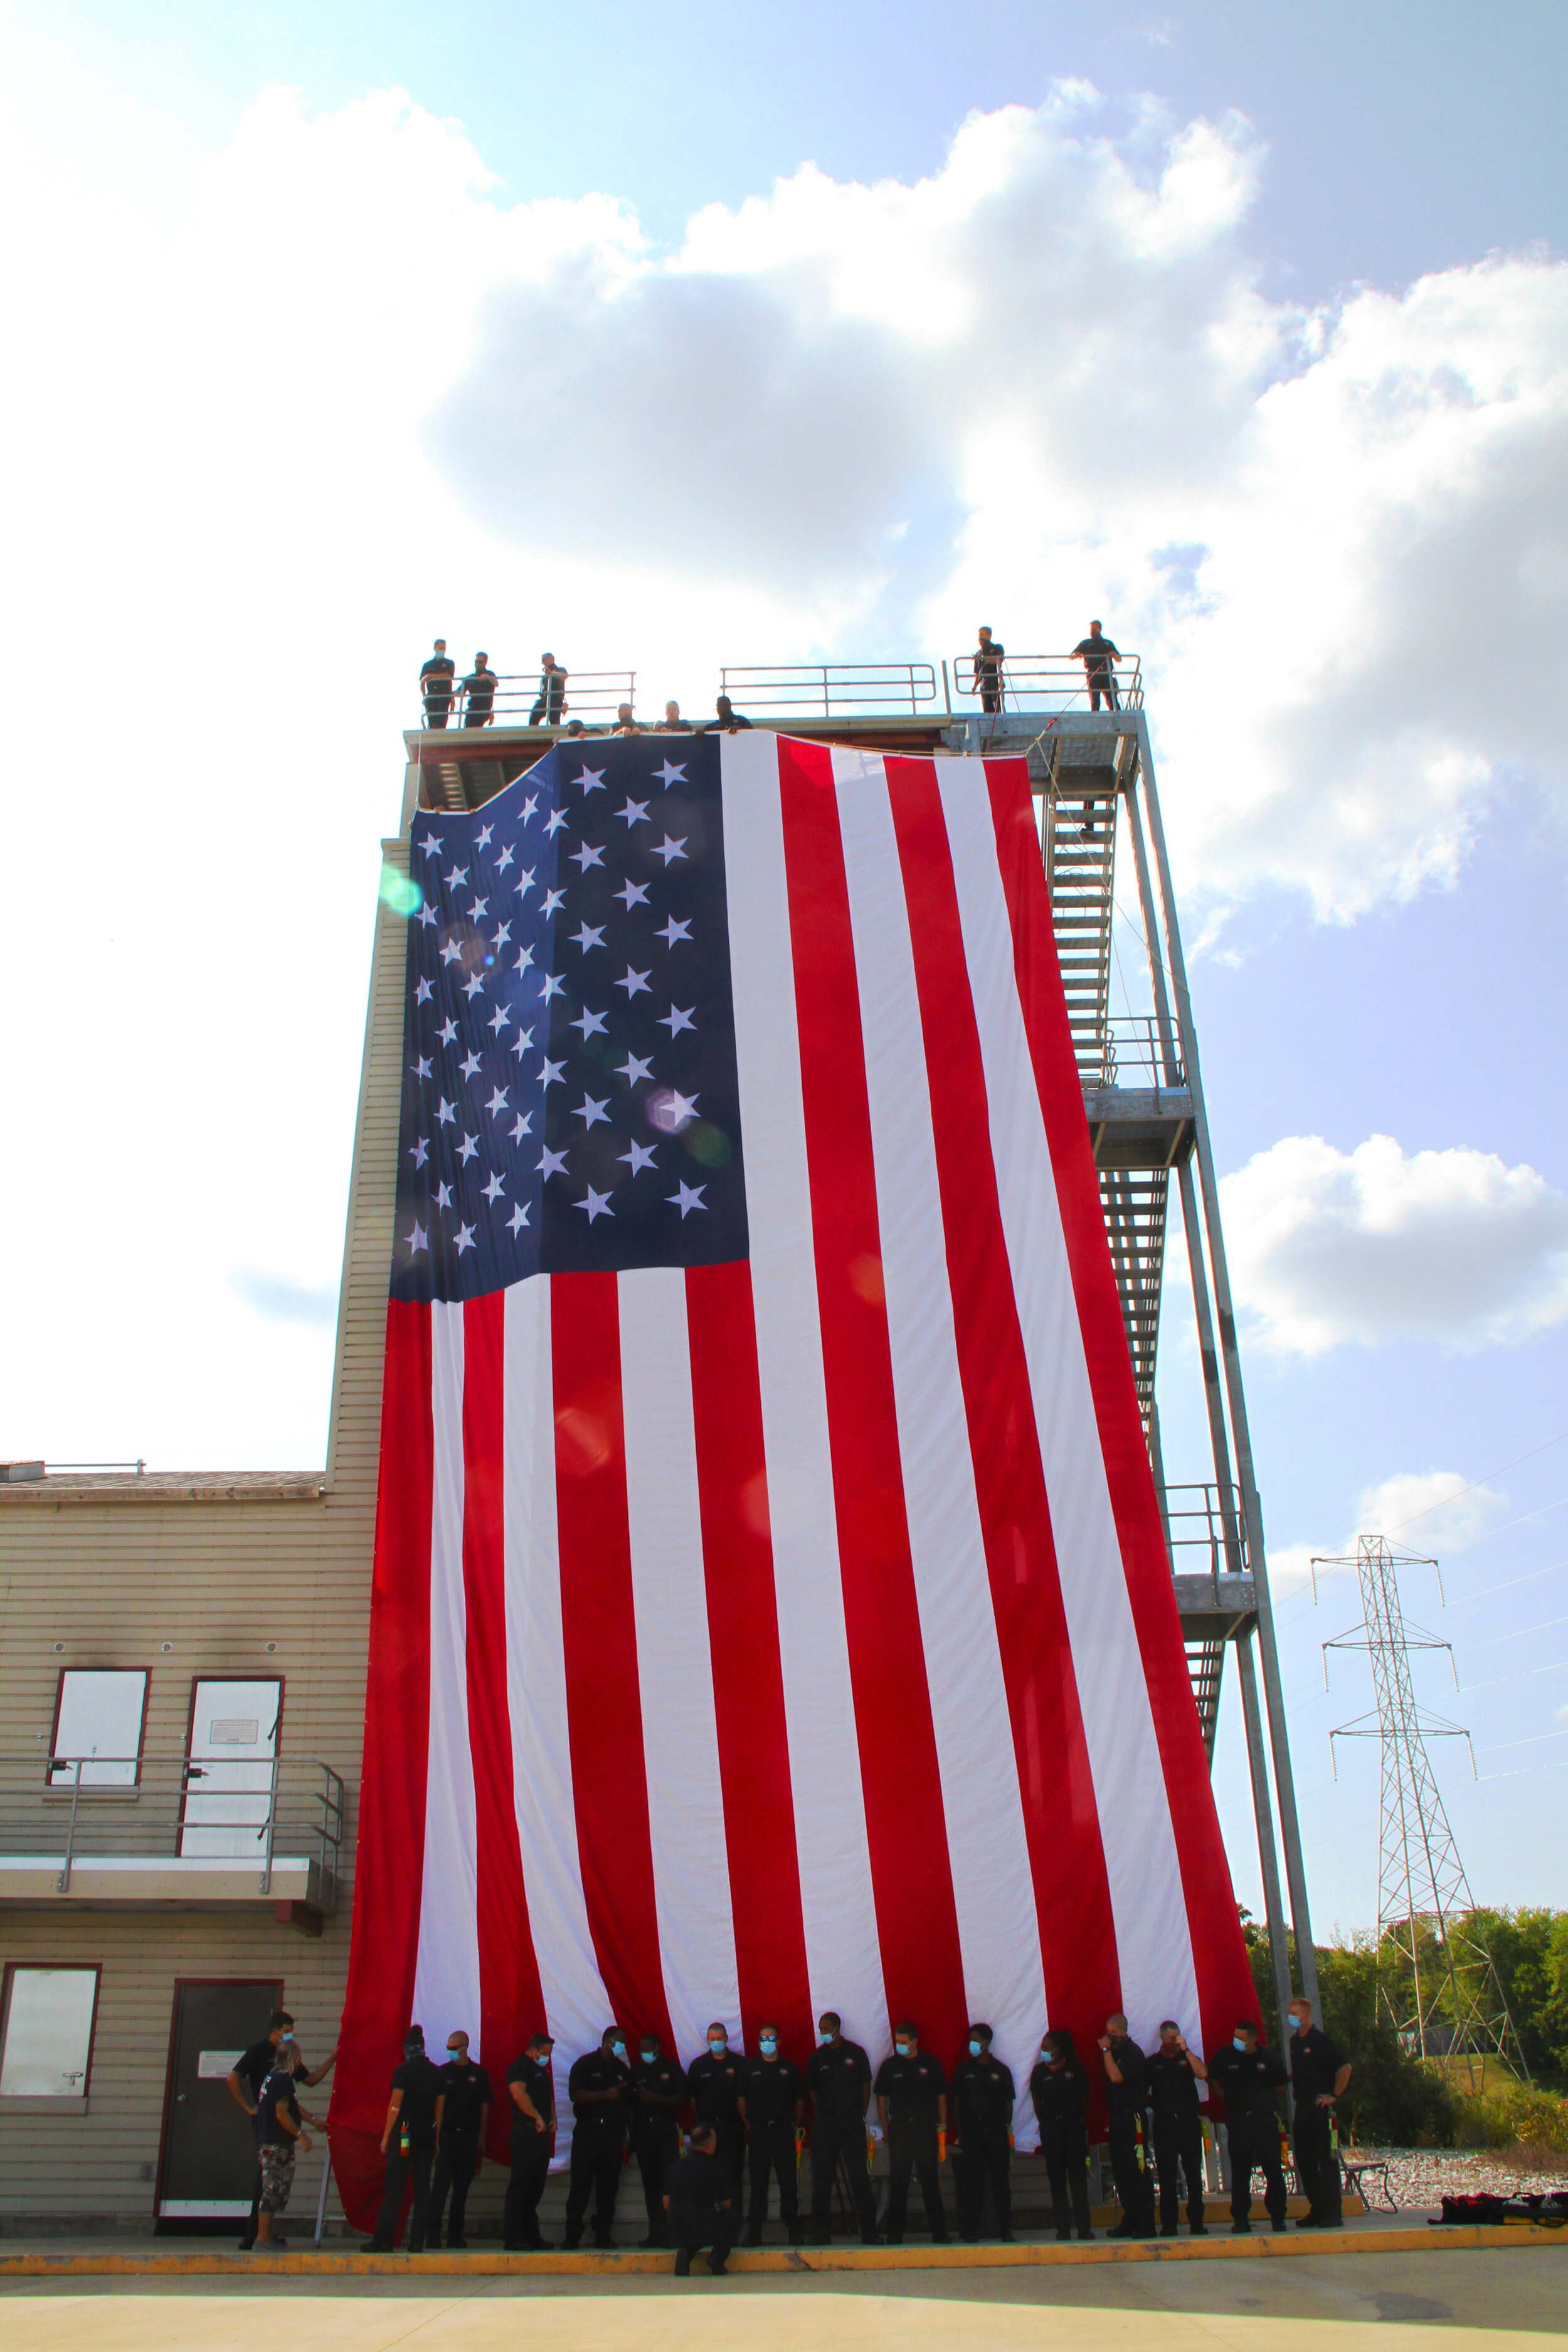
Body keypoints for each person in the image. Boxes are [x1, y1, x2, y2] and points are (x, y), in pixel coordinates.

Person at [226, 2011, 337, 2252]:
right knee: (268, 2184)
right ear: (276, 2031)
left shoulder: (281, 2071)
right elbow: (278, 2109)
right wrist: (249, 2107)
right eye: (286, 2031)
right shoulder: (263, 2056)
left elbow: (305, 2086)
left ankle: (265, 2235)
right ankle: (258, 2237)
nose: (289, 2035)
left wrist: (333, 2058)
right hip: (271, 2131)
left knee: (273, 2184)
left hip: (279, 2129)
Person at [365, 2026, 444, 2252]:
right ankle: (417, 2241)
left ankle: (384, 2241)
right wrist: (437, 2140)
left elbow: (395, 2106)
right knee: (422, 2188)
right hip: (427, 2133)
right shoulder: (437, 2073)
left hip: (405, 2133)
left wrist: (386, 2135)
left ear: (407, 2049)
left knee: (395, 2187)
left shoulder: (403, 2072)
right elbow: (439, 2112)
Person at [1206, 2020, 1289, 2233]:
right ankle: (1241, 2219)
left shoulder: (1269, 2058)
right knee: (1240, 2172)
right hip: (1239, 2120)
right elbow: (1211, 2077)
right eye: (1235, 2036)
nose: (1237, 2041)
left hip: (1264, 2121)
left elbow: (1281, 2086)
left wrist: (1263, 2101)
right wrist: (1226, 2097)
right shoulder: (1227, 2056)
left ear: (1253, 2039)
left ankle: (1278, 2217)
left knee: (1273, 2169)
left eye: (1241, 2038)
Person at [804, 2011, 878, 2245]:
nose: (822, 2032)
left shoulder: (856, 2053)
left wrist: (860, 2114)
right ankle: (822, 2233)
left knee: (859, 2177)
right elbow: (813, 2094)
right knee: (822, 2179)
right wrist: (823, 2118)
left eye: (825, 2028)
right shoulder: (816, 2058)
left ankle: (869, 2232)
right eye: (820, 2028)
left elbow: (866, 2086)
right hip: (826, 2123)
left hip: (851, 2121)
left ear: (837, 2028)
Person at [873, 2023, 950, 2245]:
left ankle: (939, 2232)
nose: (901, 2046)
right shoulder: (890, 2066)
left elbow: (941, 2097)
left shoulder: (930, 2064)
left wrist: (942, 2128)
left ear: (915, 2041)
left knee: (930, 2181)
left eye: (905, 2042)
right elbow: (881, 2098)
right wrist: (886, 2129)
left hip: (926, 2128)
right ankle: (895, 2233)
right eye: (898, 2042)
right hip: (900, 2128)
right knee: (899, 2181)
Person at [737, 2023, 807, 2245]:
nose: (767, 2042)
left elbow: (800, 2101)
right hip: (758, 2131)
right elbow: (741, 2100)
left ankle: (793, 2229)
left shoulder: (790, 2068)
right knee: (758, 2181)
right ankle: (755, 2232)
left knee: (788, 2181)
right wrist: (749, 2124)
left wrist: (793, 2124)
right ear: (758, 2042)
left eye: (771, 2038)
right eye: (763, 2039)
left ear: (778, 2042)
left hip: (783, 2131)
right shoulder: (749, 2069)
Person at [564, 2025, 630, 2249]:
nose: (622, 2048)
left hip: (613, 2133)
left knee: (609, 2185)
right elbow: (576, 2095)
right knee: (581, 2182)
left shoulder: (622, 2069)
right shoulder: (585, 2064)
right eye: (619, 2043)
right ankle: (572, 2235)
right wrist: (606, 2095)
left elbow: (627, 2103)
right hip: (588, 2130)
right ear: (607, 2041)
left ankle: (603, 2233)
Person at [948, 2023, 1015, 2242]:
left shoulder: (1001, 2071)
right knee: (972, 2182)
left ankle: (1006, 2229)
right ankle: (971, 2230)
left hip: (995, 2131)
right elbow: (956, 2102)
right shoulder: (964, 2070)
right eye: (970, 2040)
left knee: (1000, 2182)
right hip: (971, 2131)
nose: (972, 2044)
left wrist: (1003, 2128)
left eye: (975, 2040)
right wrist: (961, 2130)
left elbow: (1008, 2105)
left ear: (986, 2043)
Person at [1288, 1997, 1351, 2228]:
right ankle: (1318, 2208)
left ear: (1306, 2015)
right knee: (1304, 2161)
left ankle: (1333, 2213)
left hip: (1323, 2110)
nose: (1292, 2016)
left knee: (1327, 2160)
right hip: (1303, 2107)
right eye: (1290, 2012)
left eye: (1295, 2013)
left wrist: (1334, 2095)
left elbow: (1345, 2068)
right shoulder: (1295, 2042)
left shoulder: (1319, 2040)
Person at [430, 2028, 490, 2250]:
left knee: (461, 2190)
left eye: (454, 2049)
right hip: (446, 2136)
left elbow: (485, 2108)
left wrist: (482, 2139)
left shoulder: (479, 2075)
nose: (450, 2052)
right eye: (448, 2048)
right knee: (440, 2188)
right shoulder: (442, 2073)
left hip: (468, 2137)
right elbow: (435, 2107)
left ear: (465, 2049)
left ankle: (456, 2236)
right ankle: (433, 2235)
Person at [1029, 2030, 1093, 2241]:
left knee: (1078, 2180)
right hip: (1051, 2129)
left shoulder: (1075, 2069)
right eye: (1043, 2048)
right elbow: (1037, 2101)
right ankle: (1063, 2230)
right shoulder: (1039, 2073)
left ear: (1059, 2050)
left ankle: (1084, 2229)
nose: (1044, 2051)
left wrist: (1078, 2121)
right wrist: (1045, 2123)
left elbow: (1084, 2099)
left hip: (1073, 2128)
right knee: (1056, 2180)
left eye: (1047, 2048)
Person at [1148, 2020, 1207, 2237]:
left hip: (1188, 2122)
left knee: (1193, 2174)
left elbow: (1202, 2074)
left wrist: (1187, 2050)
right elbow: (1142, 2089)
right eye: (1171, 2038)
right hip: (1165, 2124)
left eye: (1178, 2037)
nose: (1175, 2041)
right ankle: (1169, 2224)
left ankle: (1197, 2222)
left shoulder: (1186, 2059)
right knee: (1167, 2176)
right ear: (1162, 2038)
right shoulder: (1153, 2063)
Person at [1098, 2013, 1155, 2237]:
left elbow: (1116, 2077)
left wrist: (1105, 2051)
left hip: (1134, 2119)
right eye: (1107, 2032)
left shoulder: (1133, 2053)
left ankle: (1146, 2223)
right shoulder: (1116, 2052)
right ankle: (1130, 2219)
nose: (1108, 2037)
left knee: (1137, 2171)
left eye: (1112, 2033)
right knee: (1121, 2172)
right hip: (1117, 2117)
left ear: (1122, 2032)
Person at [252, 2047, 314, 2252]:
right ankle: (262, 2238)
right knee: (271, 2191)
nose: (300, 2061)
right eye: (299, 2057)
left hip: (271, 2142)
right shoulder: (283, 2081)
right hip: (275, 2145)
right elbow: (281, 2113)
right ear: (293, 2058)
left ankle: (269, 2236)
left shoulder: (272, 2077)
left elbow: (292, 2108)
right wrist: (301, 2135)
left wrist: (314, 2121)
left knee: (277, 2190)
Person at [631, 2030, 686, 2247]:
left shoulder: (672, 2070)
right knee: (650, 2184)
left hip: (666, 2130)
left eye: (648, 2049)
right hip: (645, 2131)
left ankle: (671, 2233)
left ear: (657, 2048)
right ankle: (655, 2233)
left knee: (668, 2182)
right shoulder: (636, 2072)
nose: (645, 2053)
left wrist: (656, 2098)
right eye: (641, 2049)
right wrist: (633, 2134)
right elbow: (631, 2106)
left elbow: (682, 2100)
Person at [502, 2031, 556, 2250]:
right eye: (544, 2053)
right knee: (521, 2185)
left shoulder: (542, 2072)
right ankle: (513, 2238)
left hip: (541, 2136)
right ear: (533, 2050)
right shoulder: (519, 2067)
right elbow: (519, 2094)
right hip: (525, 2132)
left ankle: (531, 2235)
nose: (546, 2057)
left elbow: (548, 2097)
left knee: (536, 2186)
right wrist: (536, 2117)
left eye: (549, 2054)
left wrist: (552, 2117)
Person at [664, 2122, 737, 2277]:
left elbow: (666, 2204)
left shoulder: (675, 2168)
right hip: (703, 2227)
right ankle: (717, 2258)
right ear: (709, 2145)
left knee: (692, 2229)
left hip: (677, 2229)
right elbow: (726, 2205)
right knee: (733, 2218)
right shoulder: (717, 2169)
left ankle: (685, 2253)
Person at [687, 2022, 745, 2188]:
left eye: (719, 2038)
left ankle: (733, 2214)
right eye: (713, 2039)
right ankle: (708, 2214)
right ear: (707, 2040)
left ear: (726, 2039)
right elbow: (692, 2099)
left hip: (732, 2128)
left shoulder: (740, 2064)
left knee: (733, 2177)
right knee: (704, 2177)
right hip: (707, 2128)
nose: (716, 2042)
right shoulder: (698, 2066)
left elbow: (745, 2097)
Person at [1071, 621, 1122, 712]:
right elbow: (1072, 656)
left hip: (1106, 674)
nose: (1092, 632)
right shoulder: (1086, 643)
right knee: (1095, 699)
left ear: (1100, 629)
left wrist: (1113, 655)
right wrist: (1076, 655)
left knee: (1112, 698)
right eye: (1091, 630)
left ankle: (1118, 715)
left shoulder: (1107, 643)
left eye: (1094, 629)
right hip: (1093, 674)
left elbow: (1119, 659)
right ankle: (1095, 716)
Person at [420, 640, 456, 729]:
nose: (442, 651)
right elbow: (422, 681)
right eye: (440, 648)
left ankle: (440, 728)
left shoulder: (449, 663)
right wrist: (424, 696)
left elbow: (448, 675)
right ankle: (433, 729)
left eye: (444, 649)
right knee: (432, 720)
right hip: (432, 694)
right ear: (435, 649)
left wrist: (431, 676)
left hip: (445, 693)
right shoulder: (427, 665)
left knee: (441, 718)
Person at [529, 653, 567, 726]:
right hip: (545, 699)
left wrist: (551, 673)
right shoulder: (544, 678)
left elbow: (563, 676)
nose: (543, 662)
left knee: (555, 721)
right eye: (542, 660)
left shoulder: (560, 670)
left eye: (545, 659)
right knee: (534, 716)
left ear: (552, 659)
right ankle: (534, 734)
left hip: (556, 699)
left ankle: (555, 736)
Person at [462, 653, 497, 728]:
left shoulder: (490, 674)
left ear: (485, 663)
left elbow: (496, 683)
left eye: (480, 662)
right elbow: (460, 692)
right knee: (469, 724)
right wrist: (451, 696)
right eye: (476, 662)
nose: (478, 664)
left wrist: (488, 677)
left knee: (477, 723)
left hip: (484, 707)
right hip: (472, 707)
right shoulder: (470, 678)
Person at [975, 627, 1005, 714]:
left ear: (989, 636)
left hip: (995, 679)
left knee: (998, 707)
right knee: (987, 710)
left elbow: (999, 660)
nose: (980, 638)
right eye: (979, 636)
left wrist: (985, 658)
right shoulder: (978, 654)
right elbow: (977, 672)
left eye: (982, 635)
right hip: (984, 682)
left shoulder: (997, 648)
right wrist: (975, 686)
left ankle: (1000, 722)